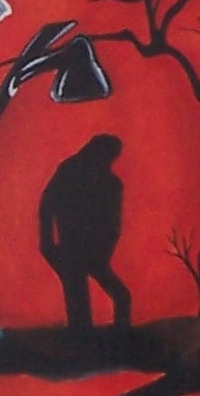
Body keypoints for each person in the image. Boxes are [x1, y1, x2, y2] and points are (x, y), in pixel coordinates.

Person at [37, 134, 132, 335]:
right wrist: (46, 239)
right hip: (71, 248)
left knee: (121, 295)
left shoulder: (111, 183)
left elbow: (113, 222)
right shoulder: (70, 170)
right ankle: (83, 341)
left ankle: (120, 338)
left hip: (94, 251)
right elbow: (48, 203)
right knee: (79, 299)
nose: (110, 158)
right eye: (108, 153)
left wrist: (105, 251)